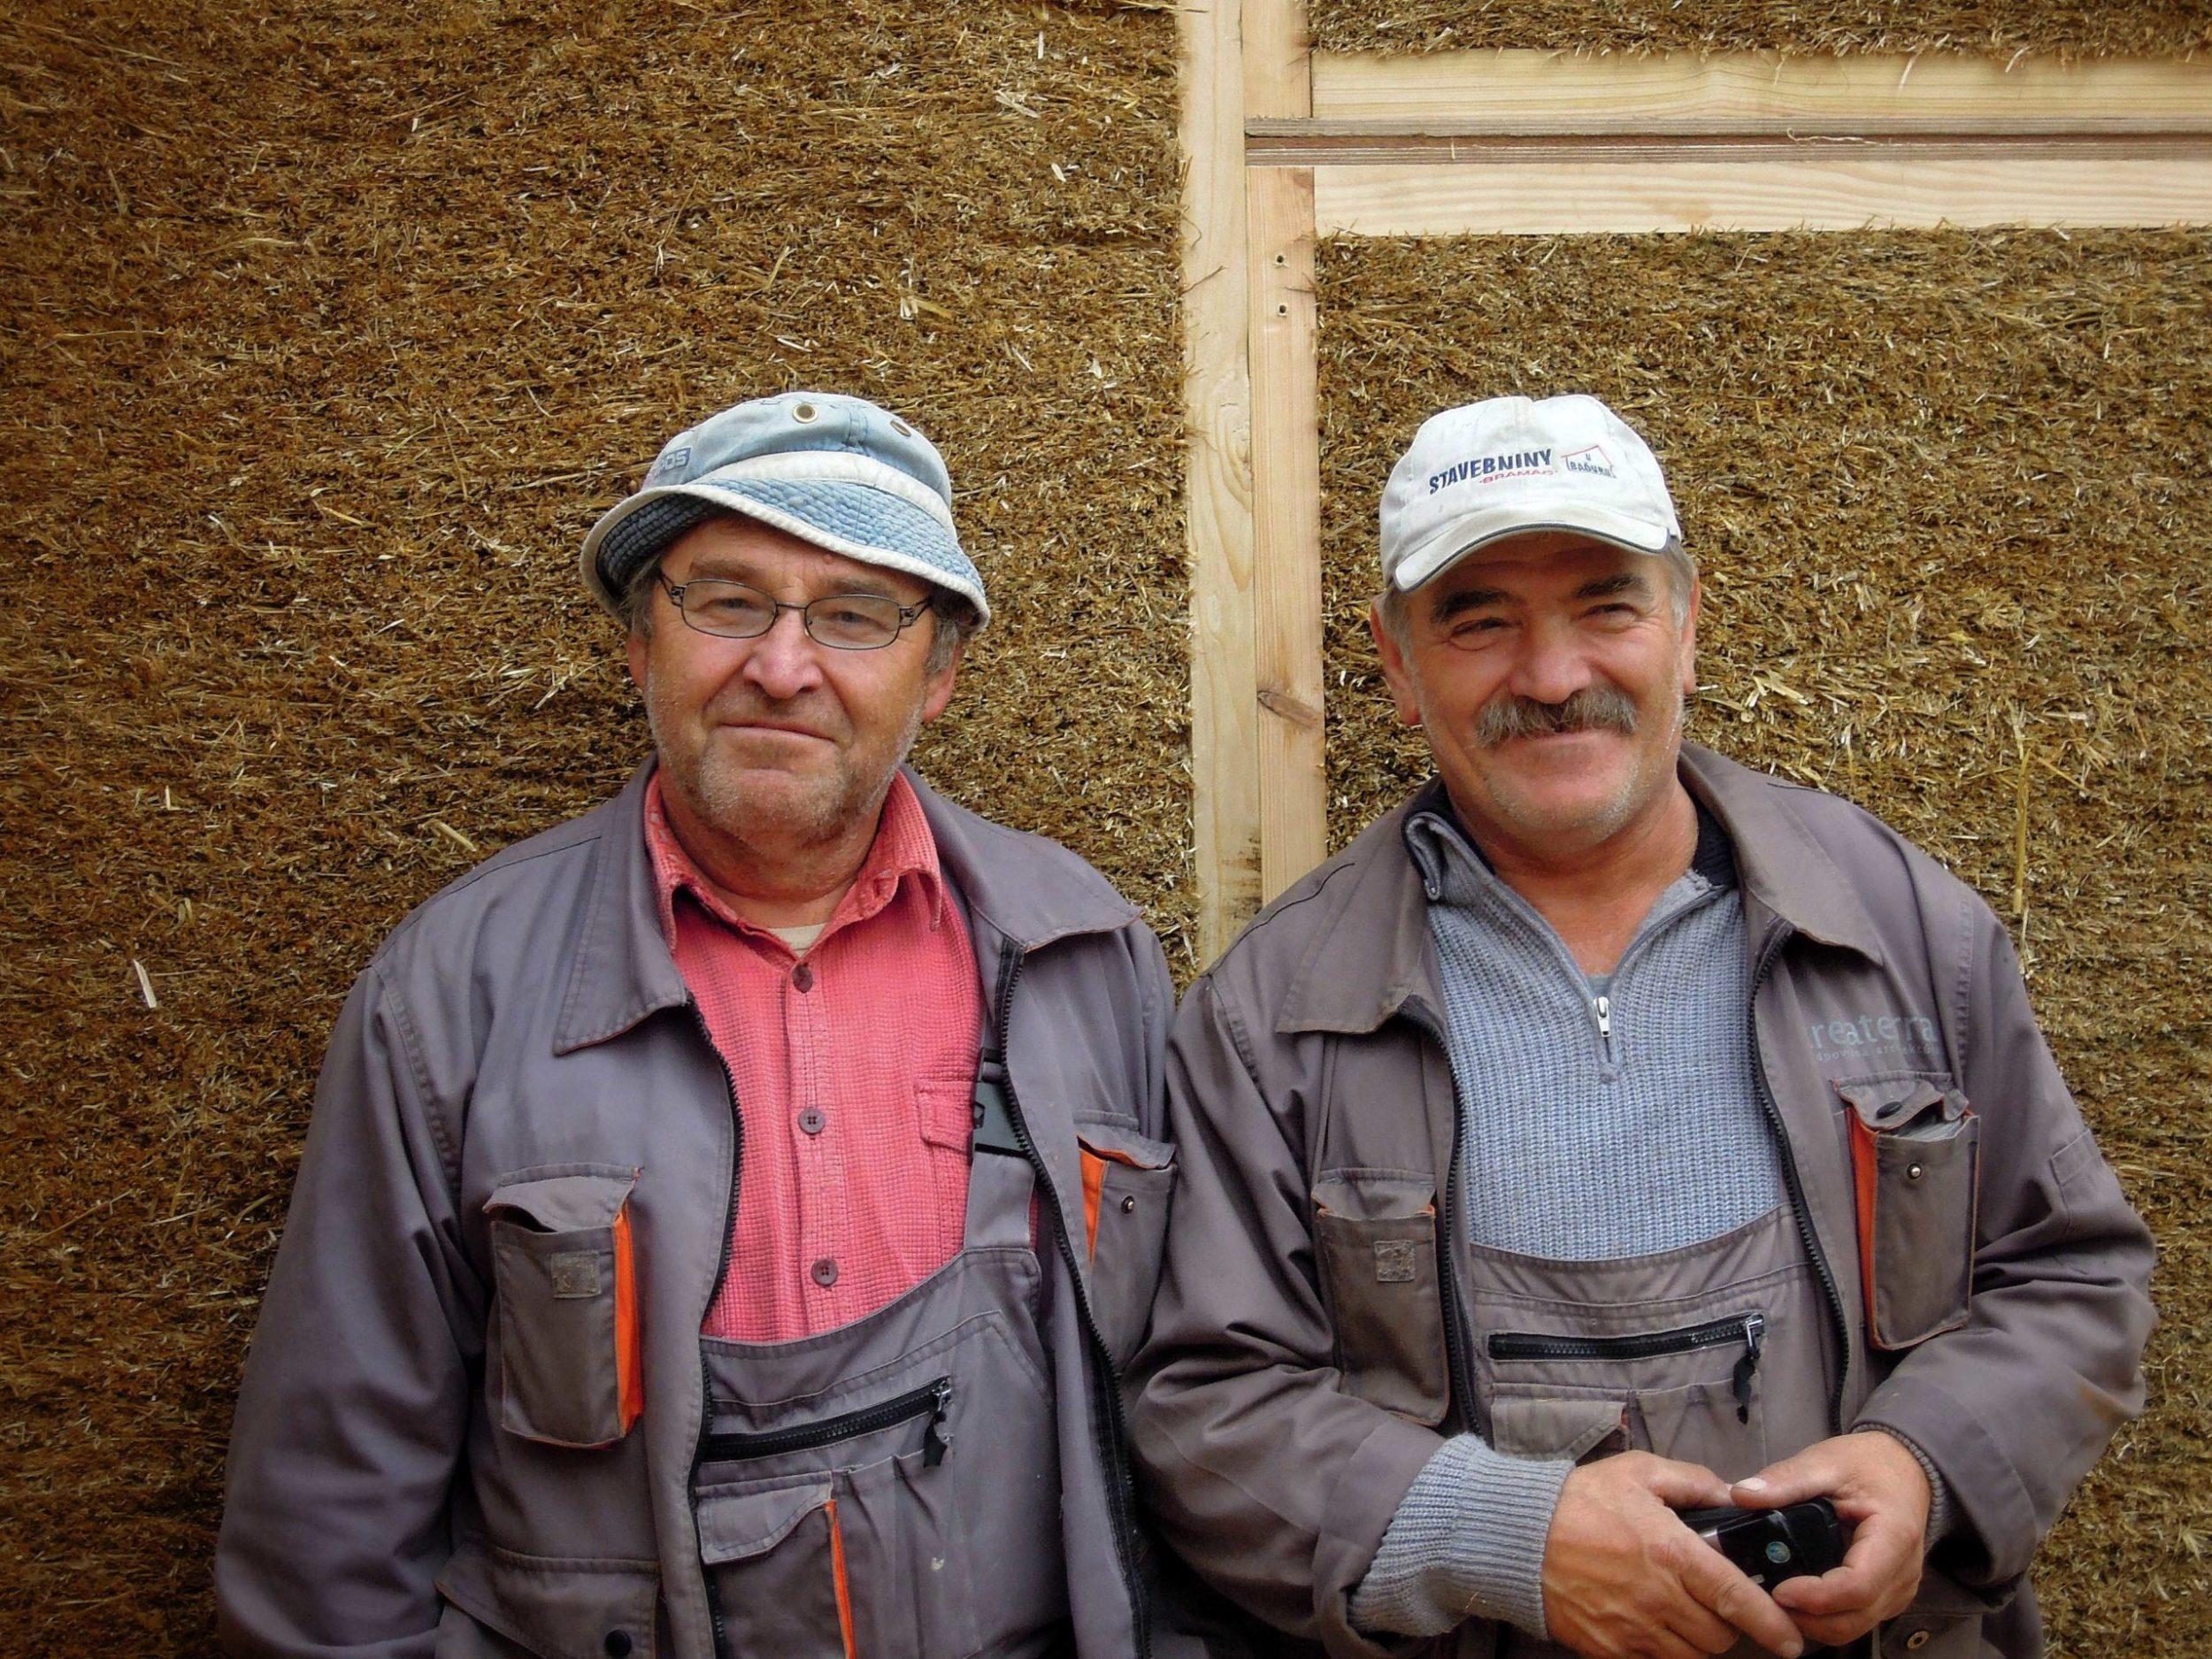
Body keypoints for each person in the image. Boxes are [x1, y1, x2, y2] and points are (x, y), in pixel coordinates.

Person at [1129, 393, 2154, 1659]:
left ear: (1686, 624)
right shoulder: (1273, 1021)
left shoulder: (1904, 932)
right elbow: (1203, 1408)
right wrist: (1498, 1536)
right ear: (1396, 665)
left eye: (1606, 607)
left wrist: (1925, 1462)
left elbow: (2073, 1277)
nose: (1553, 677)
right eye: (1479, 620)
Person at [217, 391, 1182, 1659]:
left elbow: (1185, 1415)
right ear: (639, 643)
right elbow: (332, 1514)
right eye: (727, 601)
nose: (782, 666)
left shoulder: (1085, 956)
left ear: (939, 674)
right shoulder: (451, 994)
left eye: (855, 615)